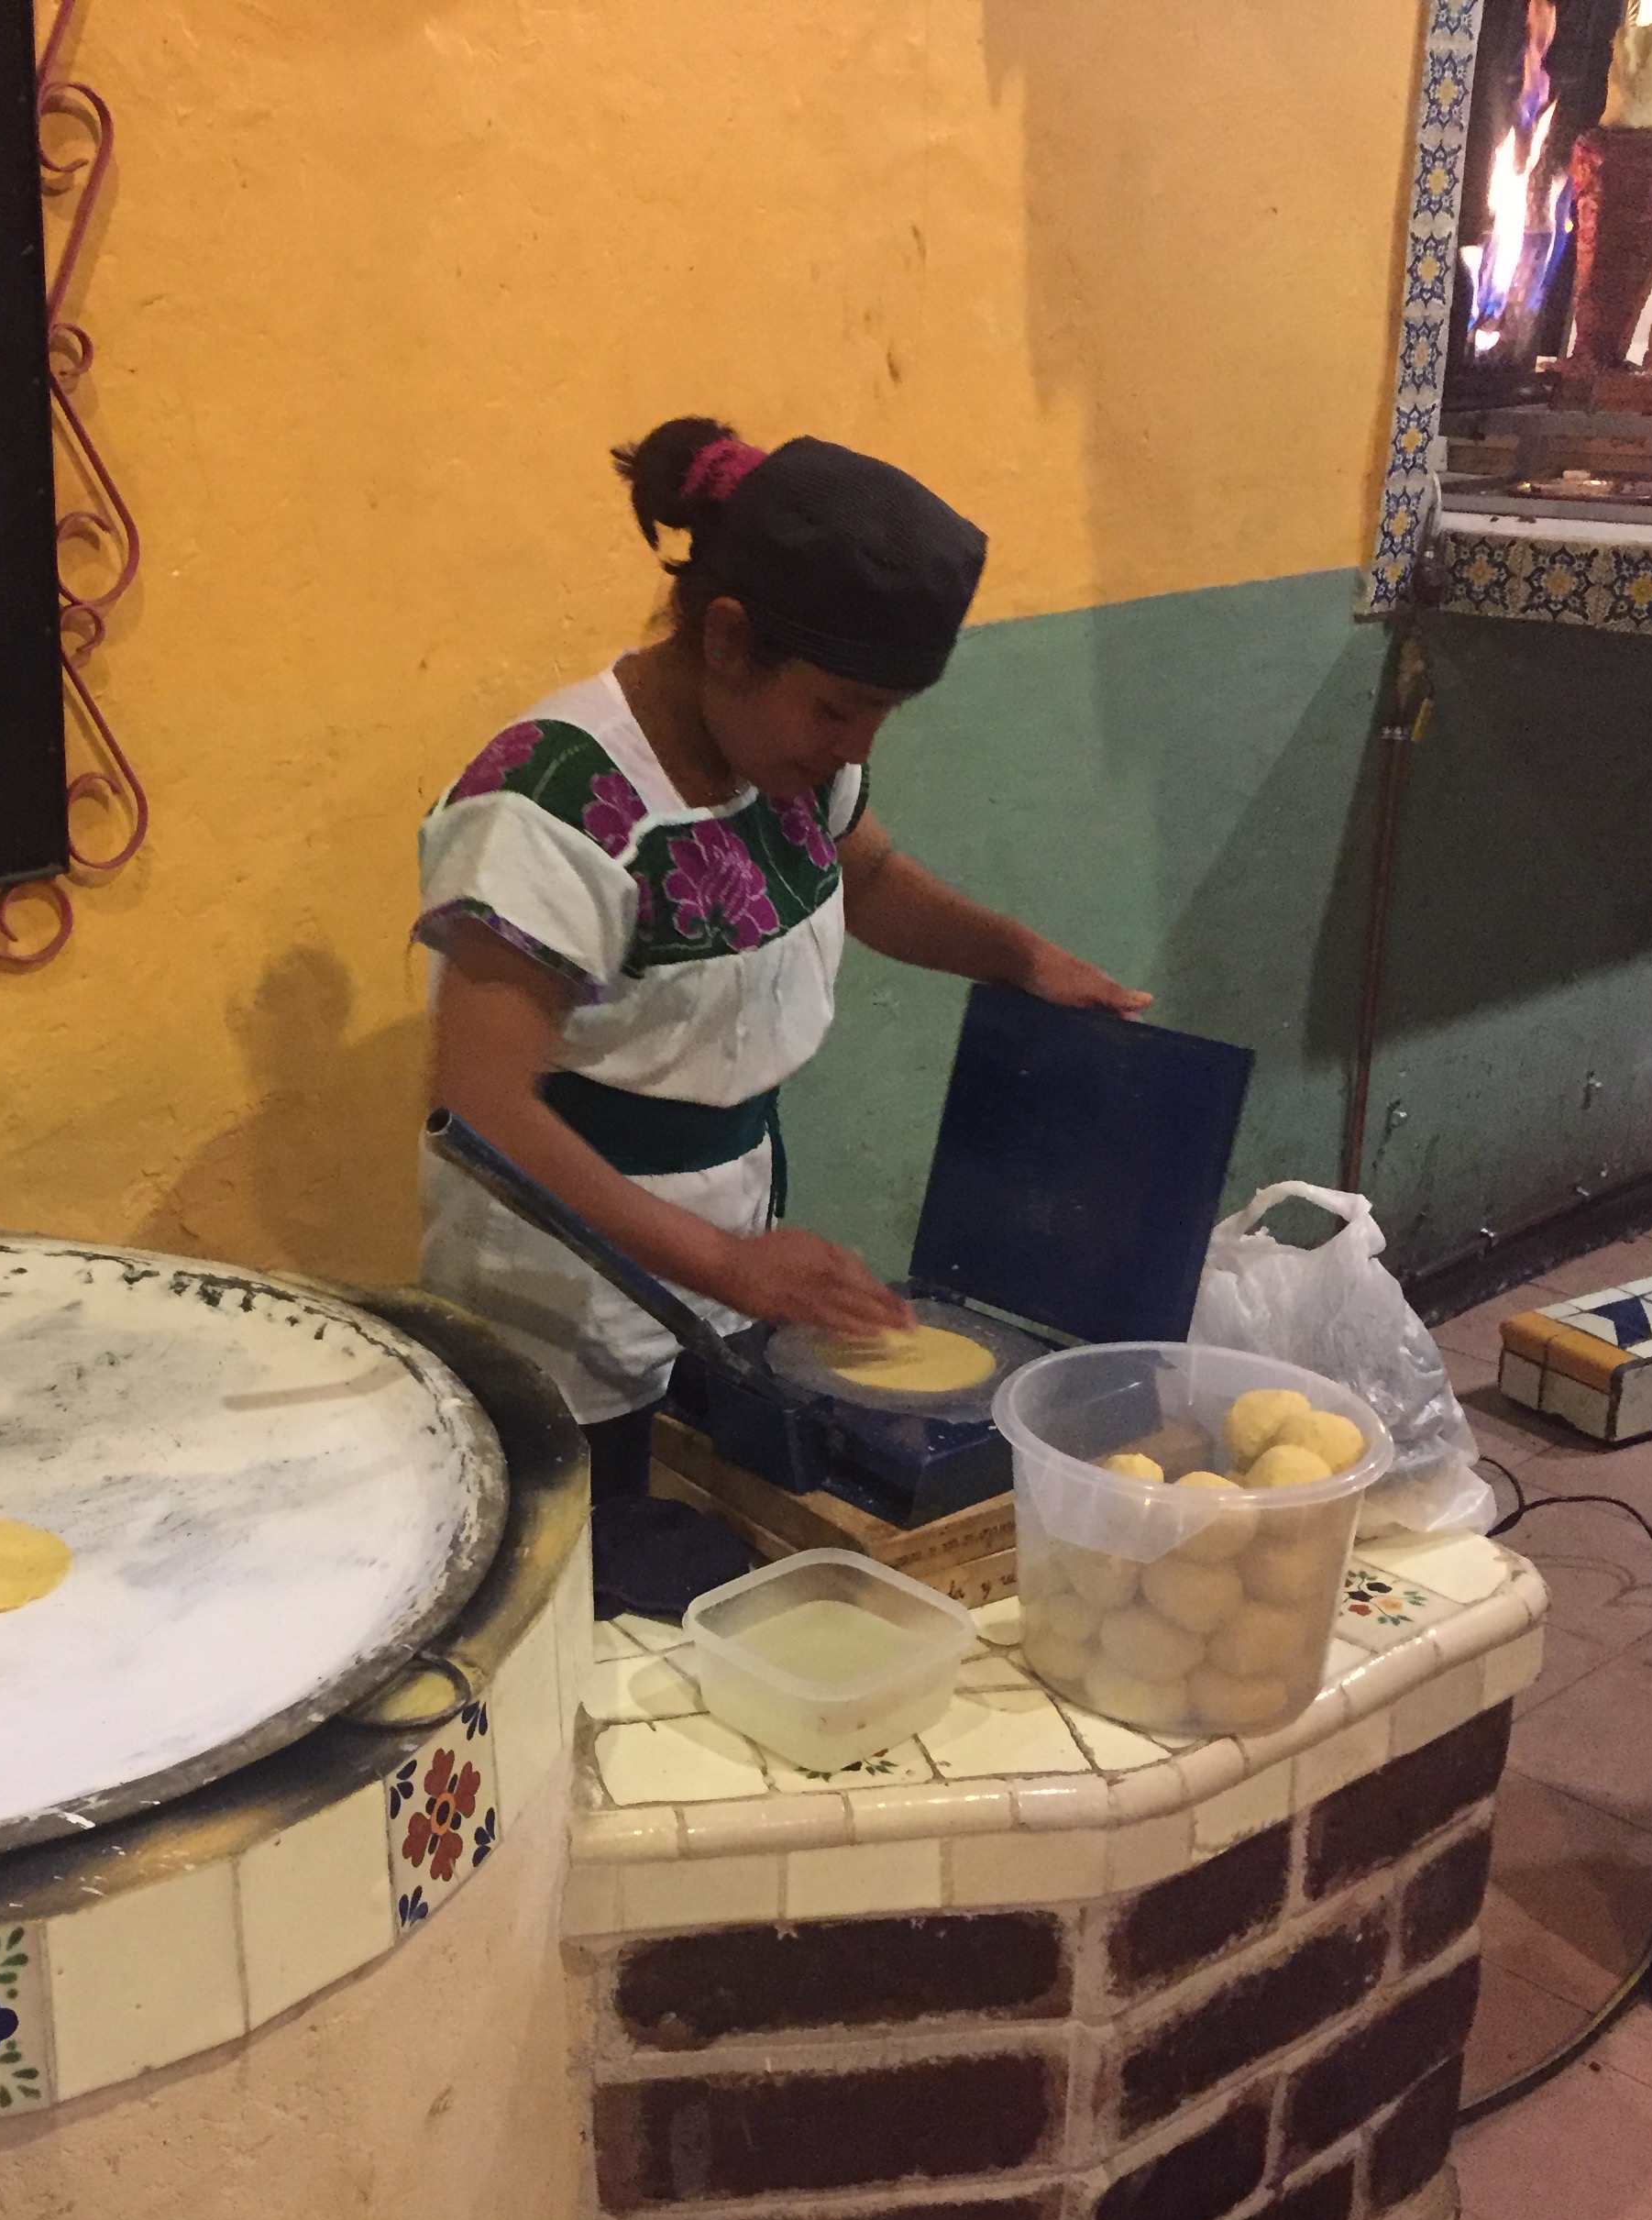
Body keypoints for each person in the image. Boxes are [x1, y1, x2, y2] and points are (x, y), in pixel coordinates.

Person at [415, 417, 1151, 1619]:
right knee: (584, 1594)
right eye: (837, 709)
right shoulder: (551, 806)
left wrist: (1019, 958)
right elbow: (480, 1107)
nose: (856, 746)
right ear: (726, 639)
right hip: (559, 1289)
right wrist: (721, 1263)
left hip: (726, 1261)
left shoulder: (787, 762)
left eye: (882, 716)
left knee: (705, 1566)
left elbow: (870, 878)